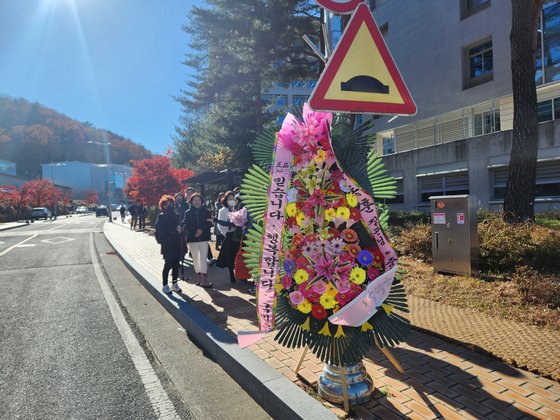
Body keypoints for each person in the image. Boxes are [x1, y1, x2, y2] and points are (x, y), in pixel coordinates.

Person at [182, 193, 214, 288]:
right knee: (195, 259)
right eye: (195, 200)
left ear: (202, 201)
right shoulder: (187, 212)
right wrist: (194, 231)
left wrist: (201, 230)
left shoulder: (206, 212)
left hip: (204, 238)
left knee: (203, 258)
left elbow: (209, 223)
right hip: (192, 238)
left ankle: (204, 280)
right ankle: (199, 278)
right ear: (191, 201)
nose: (197, 202)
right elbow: (186, 223)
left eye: (199, 200)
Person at [154, 195, 182, 294]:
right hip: (167, 244)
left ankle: (174, 284)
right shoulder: (161, 216)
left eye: (170, 203)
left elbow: (181, 226)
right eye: (166, 204)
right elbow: (160, 230)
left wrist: (181, 229)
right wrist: (174, 230)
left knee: (176, 264)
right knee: (168, 264)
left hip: (177, 243)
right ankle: (165, 285)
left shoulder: (176, 215)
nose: (169, 205)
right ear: (163, 206)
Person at [216, 191, 241, 283]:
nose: (231, 200)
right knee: (230, 255)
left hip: (238, 234)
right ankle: (231, 273)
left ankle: (239, 272)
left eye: (233, 198)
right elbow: (220, 224)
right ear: (226, 200)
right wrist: (225, 233)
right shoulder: (222, 210)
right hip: (229, 235)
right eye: (229, 199)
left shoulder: (237, 209)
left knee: (237, 254)